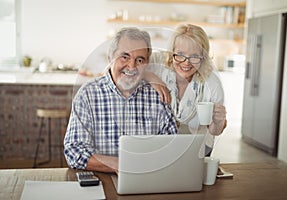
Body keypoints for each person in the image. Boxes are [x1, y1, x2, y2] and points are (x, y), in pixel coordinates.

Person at [64, 27, 178, 173]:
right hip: (101, 182)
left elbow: (172, 148)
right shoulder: (88, 95)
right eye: (125, 57)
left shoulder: (157, 97)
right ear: (110, 58)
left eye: (139, 60)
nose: (131, 66)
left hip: (147, 182)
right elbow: (74, 152)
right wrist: (121, 165)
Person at [147, 23, 227, 155]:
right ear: (172, 52)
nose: (186, 62)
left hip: (196, 151)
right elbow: (127, 69)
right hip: (159, 148)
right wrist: (151, 77)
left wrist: (219, 122)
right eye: (180, 54)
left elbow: (215, 131)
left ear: (203, 56)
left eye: (194, 56)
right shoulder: (158, 63)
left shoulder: (212, 83)